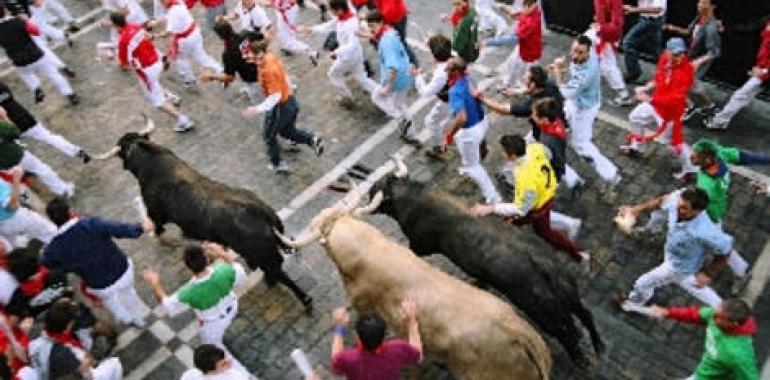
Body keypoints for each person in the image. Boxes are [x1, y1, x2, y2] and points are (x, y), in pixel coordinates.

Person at [470, 134, 592, 272]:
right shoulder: (535, 148)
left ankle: (580, 254)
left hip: (538, 206)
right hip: (547, 195)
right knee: (540, 230)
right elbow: (549, 154)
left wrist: (491, 208)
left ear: (512, 156)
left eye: (503, 151)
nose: (501, 153)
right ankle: (575, 242)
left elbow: (522, 209)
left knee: (521, 226)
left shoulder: (524, 177)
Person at [616, 187, 742, 309]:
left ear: (697, 211)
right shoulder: (678, 200)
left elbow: (726, 249)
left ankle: (633, 302)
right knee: (699, 290)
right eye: (679, 204)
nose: (677, 209)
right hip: (674, 256)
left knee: (642, 283)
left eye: (683, 209)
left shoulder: (705, 231)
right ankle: (726, 312)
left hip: (678, 267)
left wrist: (708, 273)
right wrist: (636, 209)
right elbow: (661, 201)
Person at [43, 197, 154, 327]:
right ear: (71, 212)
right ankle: (138, 316)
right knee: (129, 292)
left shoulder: (54, 248)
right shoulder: (90, 224)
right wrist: (140, 228)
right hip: (122, 271)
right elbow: (118, 229)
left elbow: (47, 262)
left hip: (100, 285)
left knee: (111, 302)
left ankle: (126, 318)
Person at [475, 66, 585, 196]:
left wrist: (481, 98)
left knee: (526, 156)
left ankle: (510, 179)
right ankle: (574, 180)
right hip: (558, 125)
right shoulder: (549, 85)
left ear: (533, 84)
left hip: (542, 134)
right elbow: (536, 91)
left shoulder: (532, 107)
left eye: (526, 78)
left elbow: (502, 109)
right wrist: (518, 92)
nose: (531, 116)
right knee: (554, 157)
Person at [551, 35, 621, 202]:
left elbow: (565, 92)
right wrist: (565, 68)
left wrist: (558, 73)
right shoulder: (590, 53)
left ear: (587, 52)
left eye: (580, 53)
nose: (575, 56)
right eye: (574, 50)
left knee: (581, 144)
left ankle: (610, 174)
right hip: (580, 102)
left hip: (583, 108)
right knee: (563, 120)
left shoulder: (585, 76)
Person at [241, 41, 325, 173]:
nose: (254, 61)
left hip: (280, 107)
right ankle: (311, 139)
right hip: (290, 101)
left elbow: (275, 96)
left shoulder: (267, 71)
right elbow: (283, 76)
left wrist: (257, 109)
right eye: (252, 58)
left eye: (256, 57)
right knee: (287, 131)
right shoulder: (270, 57)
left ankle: (278, 163)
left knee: (268, 135)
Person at [142, 244, 246, 350]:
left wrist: (155, 282)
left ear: (188, 267)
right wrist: (222, 253)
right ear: (206, 258)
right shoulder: (223, 269)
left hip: (213, 323)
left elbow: (168, 304)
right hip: (232, 306)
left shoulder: (188, 292)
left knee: (211, 345)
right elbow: (238, 269)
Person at [621, 37, 698, 180]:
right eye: (675, 54)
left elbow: (676, 98)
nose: (679, 57)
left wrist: (649, 99)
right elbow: (658, 77)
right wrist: (646, 87)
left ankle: (691, 168)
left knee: (673, 142)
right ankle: (637, 146)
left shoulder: (685, 72)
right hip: (657, 104)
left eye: (681, 54)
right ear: (667, 52)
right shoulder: (664, 59)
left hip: (670, 112)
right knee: (635, 117)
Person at [111, 12, 195, 132]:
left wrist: (112, 58)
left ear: (115, 25)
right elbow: (148, 37)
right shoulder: (135, 26)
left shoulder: (123, 41)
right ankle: (172, 97)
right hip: (156, 59)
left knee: (157, 101)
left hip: (146, 70)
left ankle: (183, 120)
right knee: (154, 84)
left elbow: (124, 64)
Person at [648, 298, 759, 380]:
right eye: (715, 313)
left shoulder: (739, 354)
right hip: (701, 374)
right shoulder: (715, 315)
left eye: (718, 318)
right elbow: (694, 314)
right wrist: (667, 312)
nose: (713, 318)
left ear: (733, 323)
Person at [303, 0, 381, 108]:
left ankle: (347, 98)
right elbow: (329, 26)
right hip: (356, 54)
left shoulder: (349, 23)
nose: (331, 11)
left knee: (333, 74)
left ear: (339, 10)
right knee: (362, 77)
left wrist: (336, 52)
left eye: (332, 10)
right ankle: (381, 93)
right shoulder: (346, 16)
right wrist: (311, 29)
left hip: (348, 57)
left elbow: (351, 44)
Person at [444, 57, 501, 204]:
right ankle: (476, 155)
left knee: (473, 167)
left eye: (449, 68)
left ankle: (493, 197)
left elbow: (461, 118)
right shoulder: (469, 78)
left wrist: (450, 133)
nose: (445, 70)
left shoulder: (454, 91)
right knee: (475, 145)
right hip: (482, 121)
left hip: (469, 131)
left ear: (456, 71)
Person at [0, 5, 79, 105]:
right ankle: (70, 94)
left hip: (18, 60)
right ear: (5, 11)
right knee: (53, 74)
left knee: (25, 74)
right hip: (36, 54)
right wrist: (27, 20)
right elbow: (36, 32)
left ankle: (36, 88)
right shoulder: (18, 21)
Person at [28, 298, 123, 380]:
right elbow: (87, 372)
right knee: (115, 363)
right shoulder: (62, 352)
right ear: (68, 325)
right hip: (66, 373)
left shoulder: (35, 332)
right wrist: (91, 359)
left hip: (45, 370)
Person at [330, 298, 422, 379]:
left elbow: (336, 367)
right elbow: (418, 356)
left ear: (358, 337)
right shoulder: (398, 348)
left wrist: (339, 327)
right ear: (384, 336)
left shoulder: (348, 358)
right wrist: (412, 320)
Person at [0, 82, 90, 163]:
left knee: (16, 151)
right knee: (48, 137)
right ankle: (77, 151)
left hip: (9, 127)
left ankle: (24, 173)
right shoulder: (2, 86)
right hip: (25, 118)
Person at [705, 19, 770, 130]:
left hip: (764, 72)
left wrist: (765, 71)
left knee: (740, 96)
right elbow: (750, 26)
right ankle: (720, 121)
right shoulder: (767, 21)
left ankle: (719, 121)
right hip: (762, 69)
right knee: (741, 96)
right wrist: (726, 27)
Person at [663, 0, 720, 121]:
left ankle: (689, 107)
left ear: (713, 6)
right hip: (690, 57)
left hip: (697, 61)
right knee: (693, 85)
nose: (700, 5)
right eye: (699, 2)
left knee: (676, 82)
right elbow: (689, 32)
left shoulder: (711, 28)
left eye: (704, 3)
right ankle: (710, 106)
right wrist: (673, 28)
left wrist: (698, 62)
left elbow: (714, 52)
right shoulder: (700, 17)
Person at [149, 0, 224, 87]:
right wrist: (157, 22)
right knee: (201, 56)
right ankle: (220, 70)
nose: (161, 3)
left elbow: (169, 33)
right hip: (194, 32)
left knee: (181, 59)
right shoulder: (177, 2)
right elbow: (169, 16)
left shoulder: (173, 12)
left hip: (184, 40)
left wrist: (154, 36)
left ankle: (189, 79)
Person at [0, 119, 76, 197]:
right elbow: (15, 132)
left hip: (4, 167)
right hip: (18, 155)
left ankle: (33, 199)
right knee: (41, 169)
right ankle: (63, 190)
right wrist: (5, 118)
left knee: (18, 184)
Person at [366, 10, 413, 131]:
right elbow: (377, 36)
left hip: (397, 79)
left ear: (380, 23)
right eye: (369, 26)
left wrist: (387, 87)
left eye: (372, 26)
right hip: (406, 74)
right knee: (400, 104)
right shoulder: (389, 31)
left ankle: (401, 119)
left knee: (377, 96)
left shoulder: (386, 42)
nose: (371, 29)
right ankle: (409, 130)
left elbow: (393, 68)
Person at [406, 34, 451, 156]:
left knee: (431, 121)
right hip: (459, 95)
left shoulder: (441, 74)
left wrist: (417, 76)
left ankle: (439, 147)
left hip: (450, 101)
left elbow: (425, 92)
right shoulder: (453, 56)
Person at [484, 0, 542, 91]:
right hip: (527, 47)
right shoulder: (535, 10)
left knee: (517, 71)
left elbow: (511, 39)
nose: (524, 8)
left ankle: (511, 86)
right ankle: (509, 83)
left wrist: (487, 42)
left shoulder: (530, 23)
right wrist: (508, 10)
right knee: (512, 65)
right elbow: (522, 14)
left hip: (528, 53)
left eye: (526, 5)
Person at [203, 20, 262, 104]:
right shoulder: (245, 34)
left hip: (254, 80)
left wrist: (211, 77)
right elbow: (263, 37)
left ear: (220, 37)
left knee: (262, 106)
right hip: (263, 68)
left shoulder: (228, 54)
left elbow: (230, 77)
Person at [589, 0, 632, 105]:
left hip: (607, 36)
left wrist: (600, 29)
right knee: (598, 60)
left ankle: (623, 94)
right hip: (604, 33)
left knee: (608, 65)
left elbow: (616, 25)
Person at [0, 166, 57, 245]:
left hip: (14, 190)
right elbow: (12, 206)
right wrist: (16, 179)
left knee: (32, 202)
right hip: (13, 191)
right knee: (33, 204)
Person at [261, 0, 320, 66]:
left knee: (287, 41)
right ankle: (290, 48)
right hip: (289, 8)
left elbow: (275, 3)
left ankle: (309, 51)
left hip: (286, 11)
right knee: (288, 35)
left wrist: (267, 3)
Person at [621, 0, 667, 84]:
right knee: (656, 50)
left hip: (651, 21)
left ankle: (634, 73)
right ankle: (671, 74)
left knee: (628, 43)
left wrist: (633, 9)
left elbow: (658, 9)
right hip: (647, 19)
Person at [366, 0, 418, 66]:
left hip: (395, 19)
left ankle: (413, 65)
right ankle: (411, 64)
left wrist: (378, 20)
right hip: (396, 16)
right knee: (400, 43)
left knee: (400, 43)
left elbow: (389, 11)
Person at [179, 344, 255, 380]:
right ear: (210, 371)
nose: (229, 361)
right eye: (223, 364)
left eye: (225, 357)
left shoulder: (190, 375)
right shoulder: (235, 377)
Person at [444, 0, 479, 65]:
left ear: (465, 2)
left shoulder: (465, 22)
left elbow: (458, 44)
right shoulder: (473, 12)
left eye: (458, 4)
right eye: (454, 4)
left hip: (465, 53)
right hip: (473, 46)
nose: (455, 7)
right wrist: (449, 18)